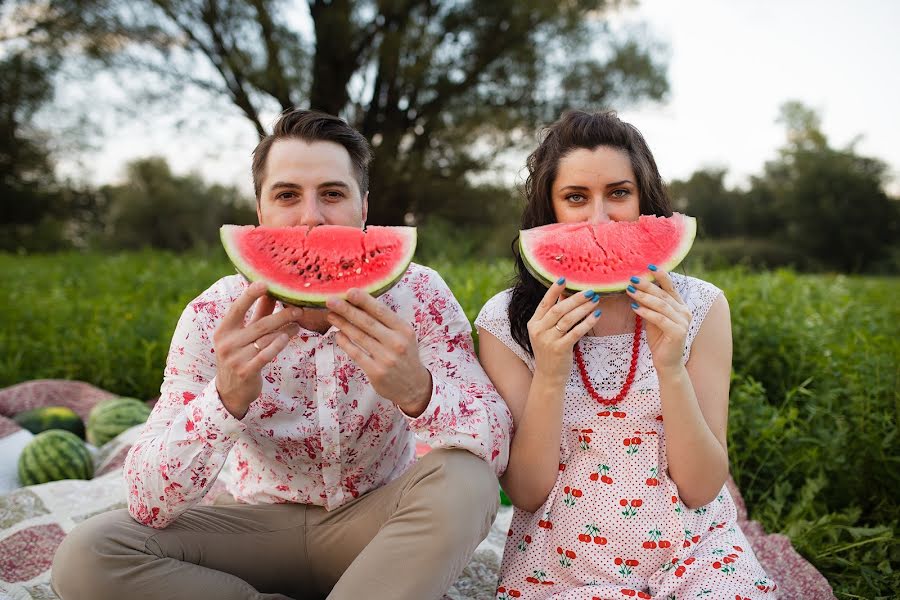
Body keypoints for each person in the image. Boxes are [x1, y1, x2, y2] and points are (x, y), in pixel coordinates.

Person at [51, 108, 513, 600]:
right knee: (88, 554)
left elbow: (495, 441)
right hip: (256, 530)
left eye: (332, 194)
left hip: (381, 529)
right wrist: (224, 399)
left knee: (467, 478)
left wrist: (419, 393)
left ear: (363, 208)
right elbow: (147, 500)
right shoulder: (214, 315)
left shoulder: (418, 296)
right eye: (287, 195)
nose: (311, 218)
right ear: (260, 213)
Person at [474, 110, 776, 599]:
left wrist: (670, 367)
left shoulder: (700, 306)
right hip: (564, 558)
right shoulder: (506, 321)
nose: (599, 219)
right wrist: (550, 373)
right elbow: (526, 492)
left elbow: (700, 487)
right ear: (547, 212)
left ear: (645, 202)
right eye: (575, 198)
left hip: (694, 548)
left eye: (619, 193)